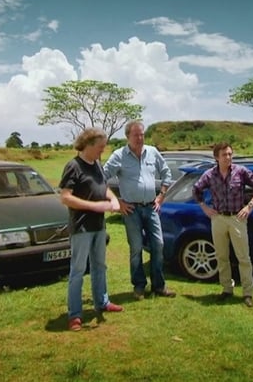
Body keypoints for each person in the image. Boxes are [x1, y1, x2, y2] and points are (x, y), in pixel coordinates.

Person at [59, 127, 123, 332]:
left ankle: (102, 302)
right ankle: (75, 315)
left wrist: (112, 199)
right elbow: (65, 197)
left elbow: (103, 187)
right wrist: (95, 206)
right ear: (87, 144)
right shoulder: (73, 166)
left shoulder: (96, 165)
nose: (102, 151)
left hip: (98, 226)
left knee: (99, 267)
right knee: (78, 271)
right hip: (82, 227)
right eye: (100, 147)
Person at [103, 120, 176, 300]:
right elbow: (101, 178)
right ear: (128, 136)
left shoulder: (152, 152)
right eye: (136, 135)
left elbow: (166, 173)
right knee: (136, 248)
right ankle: (139, 286)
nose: (140, 138)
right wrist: (117, 201)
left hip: (151, 207)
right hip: (131, 210)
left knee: (158, 245)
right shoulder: (119, 156)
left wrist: (161, 196)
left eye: (142, 134)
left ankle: (159, 286)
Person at [192, 142, 253, 308]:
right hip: (218, 219)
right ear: (217, 157)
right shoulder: (210, 175)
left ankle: (247, 293)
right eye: (224, 155)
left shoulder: (241, 171)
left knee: (243, 257)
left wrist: (249, 206)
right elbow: (196, 190)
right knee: (221, 257)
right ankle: (226, 289)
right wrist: (204, 207)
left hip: (237, 218)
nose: (228, 157)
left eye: (230, 154)